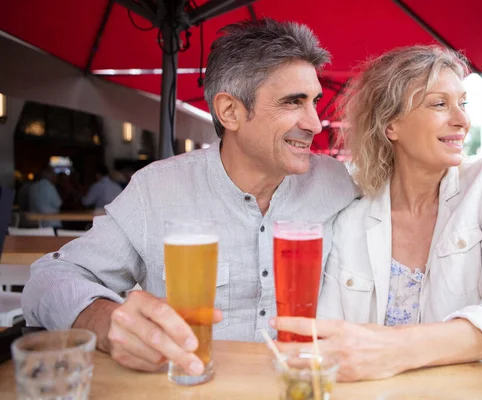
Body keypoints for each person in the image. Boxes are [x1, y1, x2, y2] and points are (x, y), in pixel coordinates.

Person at [22, 19, 358, 376]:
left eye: (314, 102)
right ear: (230, 111)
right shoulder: (158, 190)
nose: (315, 123)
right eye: (294, 102)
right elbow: (48, 279)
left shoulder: (337, 184)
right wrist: (104, 320)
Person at [272, 46, 482, 382]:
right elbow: (330, 336)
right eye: (439, 104)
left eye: (462, 103)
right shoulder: (350, 213)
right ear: (391, 124)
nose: (462, 120)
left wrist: (399, 349)